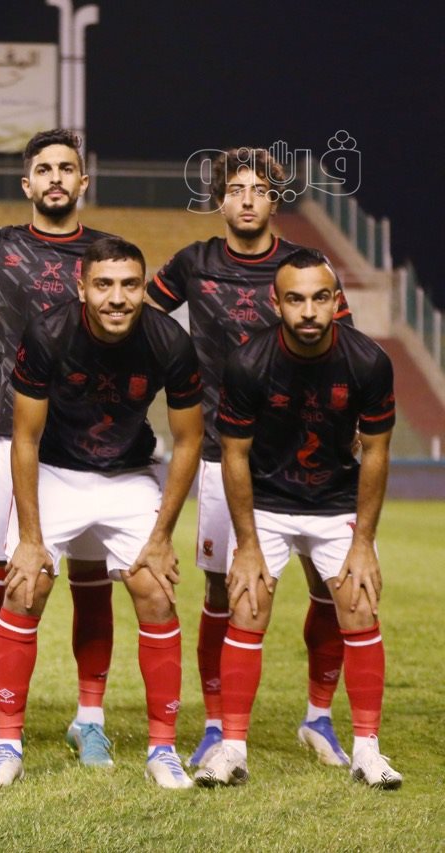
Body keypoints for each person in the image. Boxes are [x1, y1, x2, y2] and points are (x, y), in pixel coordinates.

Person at [147, 147, 355, 769]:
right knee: (226, 589)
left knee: (329, 585)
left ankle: (319, 718)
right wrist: (175, 374)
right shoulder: (193, 262)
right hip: (221, 451)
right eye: (235, 189)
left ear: (274, 200)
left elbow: (344, 343)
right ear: (218, 201)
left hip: (304, 455)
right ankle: (217, 727)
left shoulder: (304, 267)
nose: (246, 199)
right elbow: (139, 320)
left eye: (259, 189)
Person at [0, 237, 203, 789]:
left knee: (156, 590)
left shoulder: (169, 340)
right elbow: (24, 439)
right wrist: (30, 538)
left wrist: (161, 537)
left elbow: (189, 440)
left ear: (143, 289)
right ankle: (7, 744)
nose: (117, 298)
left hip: (128, 473)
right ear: (82, 288)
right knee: (24, 587)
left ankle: (163, 750)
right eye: (104, 285)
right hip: (56, 469)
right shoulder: (49, 332)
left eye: (129, 285)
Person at [197, 249, 400, 789]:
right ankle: (232, 749)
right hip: (265, 502)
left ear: (336, 300)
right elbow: (233, 456)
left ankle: (367, 750)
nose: (308, 311)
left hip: (336, 503)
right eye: (296, 299)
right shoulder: (248, 363)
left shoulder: (369, 361)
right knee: (247, 605)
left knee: (359, 605)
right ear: (276, 303)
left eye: (319, 298)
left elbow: (376, 452)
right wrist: (246, 545)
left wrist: (364, 542)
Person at [0, 129, 119, 767]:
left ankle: (90, 719)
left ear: (83, 182)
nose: (55, 178)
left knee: (91, 583)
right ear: (26, 183)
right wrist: (9, 343)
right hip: (13, 436)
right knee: (2, 583)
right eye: (44, 169)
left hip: (90, 443)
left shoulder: (105, 255)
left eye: (66, 168)